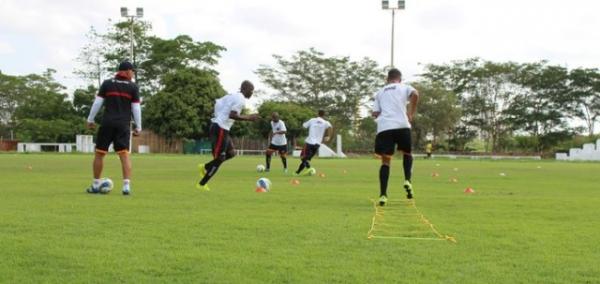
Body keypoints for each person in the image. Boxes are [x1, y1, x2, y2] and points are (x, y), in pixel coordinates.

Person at [85, 61, 142, 195]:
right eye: (132, 71)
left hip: (107, 123)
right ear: (127, 71)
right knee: (124, 154)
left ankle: (95, 184)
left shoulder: (107, 83)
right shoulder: (133, 87)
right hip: (123, 125)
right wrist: (138, 127)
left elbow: (98, 102)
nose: (133, 74)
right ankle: (126, 187)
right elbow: (136, 108)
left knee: (99, 154)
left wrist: (90, 119)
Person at [197, 81, 259, 191]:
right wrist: (249, 118)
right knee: (220, 158)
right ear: (245, 89)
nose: (252, 93)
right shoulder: (241, 99)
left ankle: (205, 167)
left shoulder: (232, 95)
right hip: (220, 128)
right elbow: (233, 115)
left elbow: (218, 103)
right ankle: (202, 184)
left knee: (231, 153)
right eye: (251, 91)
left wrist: (218, 118)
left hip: (220, 127)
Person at [372, 68, 419, 206]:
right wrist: (411, 113)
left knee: (385, 161)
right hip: (402, 125)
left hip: (385, 128)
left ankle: (383, 195)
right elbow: (415, 94)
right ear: (400, 78)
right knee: (407, 153)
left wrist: (380, 115)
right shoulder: (404, 87)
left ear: (387, 79)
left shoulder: (380, 92)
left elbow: (375, 113)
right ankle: (407, 180)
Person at [294, 110, 332, 176]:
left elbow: (304, 126)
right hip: (317, 144)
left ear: (317, 114)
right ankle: (297, 173)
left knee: (302, 157)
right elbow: (330, 127)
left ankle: (310, 169)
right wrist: (328, 136)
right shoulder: (325, 122)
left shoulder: (312, 120)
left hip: (309, 142)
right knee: (306, 159)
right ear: (324, 115)